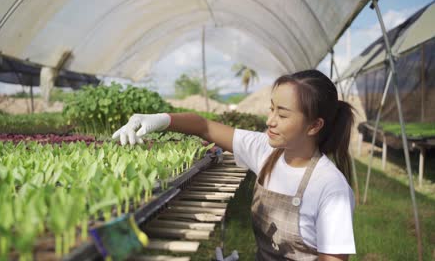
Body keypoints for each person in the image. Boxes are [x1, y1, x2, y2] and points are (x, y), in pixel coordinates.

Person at [112, 69, 356, 261]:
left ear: (314, 126)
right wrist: (161, 120)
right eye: (271, 109)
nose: (270, 121)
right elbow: (203, 126)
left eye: (282, 115)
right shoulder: (266, 151)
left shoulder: (330, 188)